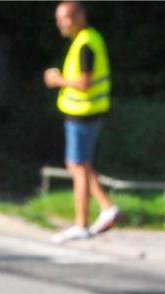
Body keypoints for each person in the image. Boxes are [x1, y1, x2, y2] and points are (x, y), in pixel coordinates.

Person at [43, 1, 121, 242]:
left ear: (79, 16)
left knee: (78, 168)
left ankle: (81, 223)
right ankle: (107, 208)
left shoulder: (85, 43)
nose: (60, 24)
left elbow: (84, 83)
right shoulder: (88, 39)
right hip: (86, 111)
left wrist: (58, 81)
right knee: (79, 165)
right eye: (58, 19)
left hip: (83, 113)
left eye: (64, 18)